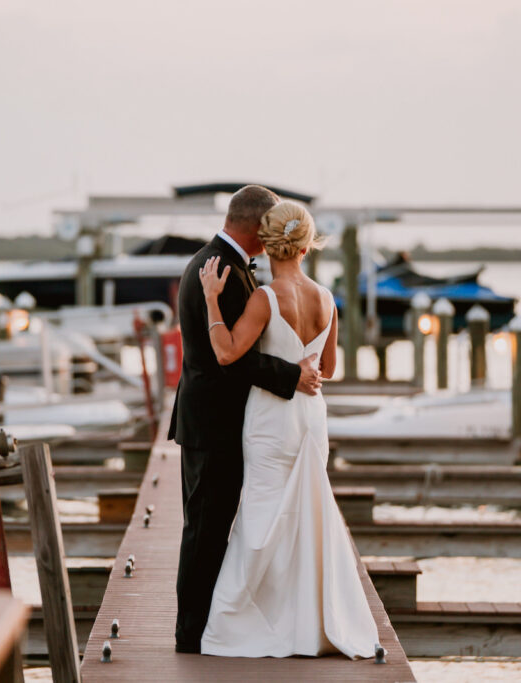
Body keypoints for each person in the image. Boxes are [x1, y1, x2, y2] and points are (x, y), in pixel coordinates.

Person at [197, 200, 379, 658]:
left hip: (271, 419)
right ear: (305, 245)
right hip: (310, 416)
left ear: (269, 242)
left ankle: (246, 621)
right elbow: (330, 368)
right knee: (307, 514)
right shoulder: (326, 299)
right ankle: (311, 622)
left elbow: (225, 352)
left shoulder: (264, 298)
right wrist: (307, 363)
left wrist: (213, 301)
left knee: (261, 515)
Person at [168, 185, 323, 654]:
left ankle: (207, 624)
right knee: (207, 528)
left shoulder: (215, 263)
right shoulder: (224, 272)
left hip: (210, 420)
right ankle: (191, 634)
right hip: (213, 423)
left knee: (211, 525)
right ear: (258, 227)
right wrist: (291, 374)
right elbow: (228, 359)